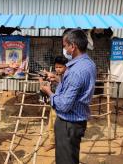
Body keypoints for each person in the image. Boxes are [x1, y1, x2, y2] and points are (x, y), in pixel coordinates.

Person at [40, 29, 96, 164]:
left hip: (68, 123)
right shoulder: (89, 64)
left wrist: (48, 92)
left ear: (73, 46)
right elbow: (78, 88)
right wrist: (60, 80)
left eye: (65, 45)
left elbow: (64, 105)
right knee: (71, 157)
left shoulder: (75, 71)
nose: (64, 49)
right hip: (77, 121)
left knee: (65, 160)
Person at [44, 56, 68, 152]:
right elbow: (60, 82)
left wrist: (49, 90)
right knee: (51, 125)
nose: (58, 69)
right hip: (55, 103)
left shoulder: (68, 76)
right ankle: (52, 142)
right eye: (56, 67)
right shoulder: (60, 76)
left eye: (60, 67)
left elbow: (64, 83)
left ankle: (61, 143)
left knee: (60, 126)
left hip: (62, 105)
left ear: (66, 67)